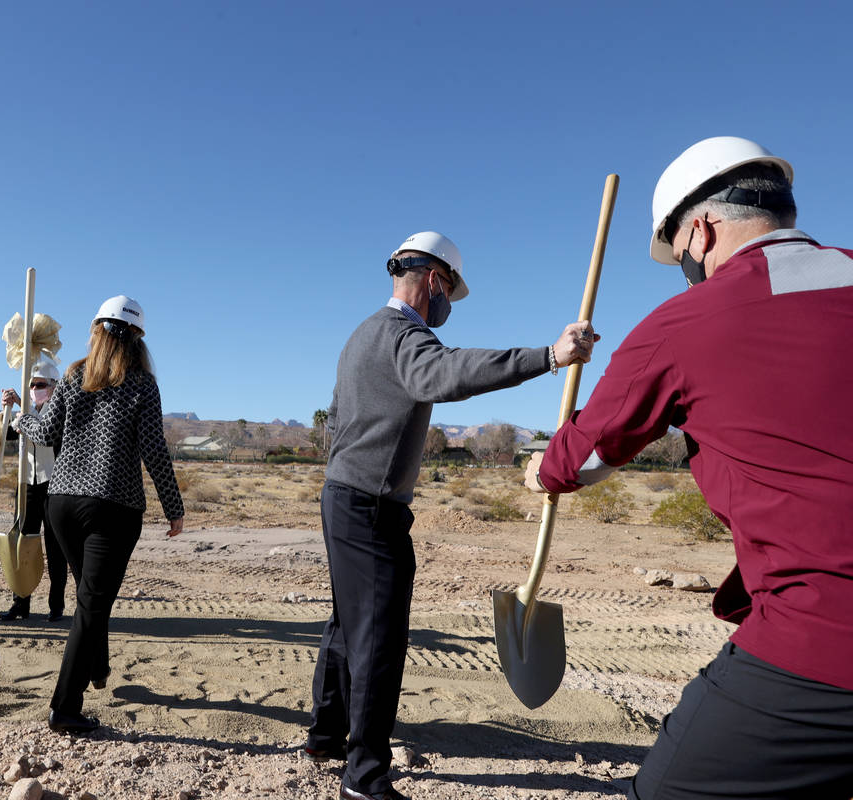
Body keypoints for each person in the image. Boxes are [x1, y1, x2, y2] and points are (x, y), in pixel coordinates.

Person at [526, 136, 853, 799]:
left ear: (700, 230)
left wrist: (542, 471)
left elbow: (587, 453)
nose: (685, 269)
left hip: (825, 638)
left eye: (679, 257)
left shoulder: (686, 322)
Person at [307, 232, 596, 800]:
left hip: (342, 494)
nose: (446, 307)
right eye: (448, 293)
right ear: (434, 280)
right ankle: (364, 776)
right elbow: (445, 373)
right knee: (379, 639)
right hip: (369, 506)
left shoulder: (361, 335)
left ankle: (324, 733)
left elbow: (340, 414)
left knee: (348, 623)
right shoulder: (402, 335)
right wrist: (548, 357)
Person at [3, 294, 184, 734]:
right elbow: (153, 450)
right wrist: (174, 508)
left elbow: (45, 431)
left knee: (90, 596)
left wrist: (18, 417)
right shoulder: (142, 384)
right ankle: (64, 708)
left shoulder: (72, 376)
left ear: (96, 331)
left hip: (61, 503)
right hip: (113, 508)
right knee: (91, 604)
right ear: (137, 339)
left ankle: (97, 666)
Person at [0, 355, 71, 622]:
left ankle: (56, 606)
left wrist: (22, 410)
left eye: (41, 384)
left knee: (56, 547)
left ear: (53, 386)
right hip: (27, 483)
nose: (36, 389)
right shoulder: (23, 412)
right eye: (32, 384)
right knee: (23, 544)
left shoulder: (60, 410)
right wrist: (9, 412)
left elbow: (46, 435)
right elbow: (4, 434)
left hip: (54, 485)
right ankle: (21, 603)